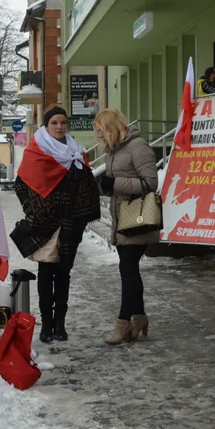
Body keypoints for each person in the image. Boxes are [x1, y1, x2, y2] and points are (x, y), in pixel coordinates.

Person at [11, 106, 101, 343]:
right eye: (55, 123)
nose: (60, 127)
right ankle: (46, 324)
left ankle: (60, 323)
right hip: (45, 223)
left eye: (63, 123)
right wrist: (35, 210)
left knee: (64, 273)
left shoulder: (76, 153)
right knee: (45, 272)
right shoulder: (36, 151)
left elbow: (87, 186)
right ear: (46, 125)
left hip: (70, 223)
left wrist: (80, 215)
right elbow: (21, 185)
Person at [95, 109, 159, 345]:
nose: (98, 135)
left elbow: (151, 183)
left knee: (128, 270)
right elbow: (121, 184)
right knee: (129, 270)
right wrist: (108, 186)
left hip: (138, 219)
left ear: (111, 127)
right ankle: (140, 317)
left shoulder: (138, 146)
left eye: (100, 129)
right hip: (122, 218)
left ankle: (123, 324)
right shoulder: (114, 150)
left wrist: (117, 182)